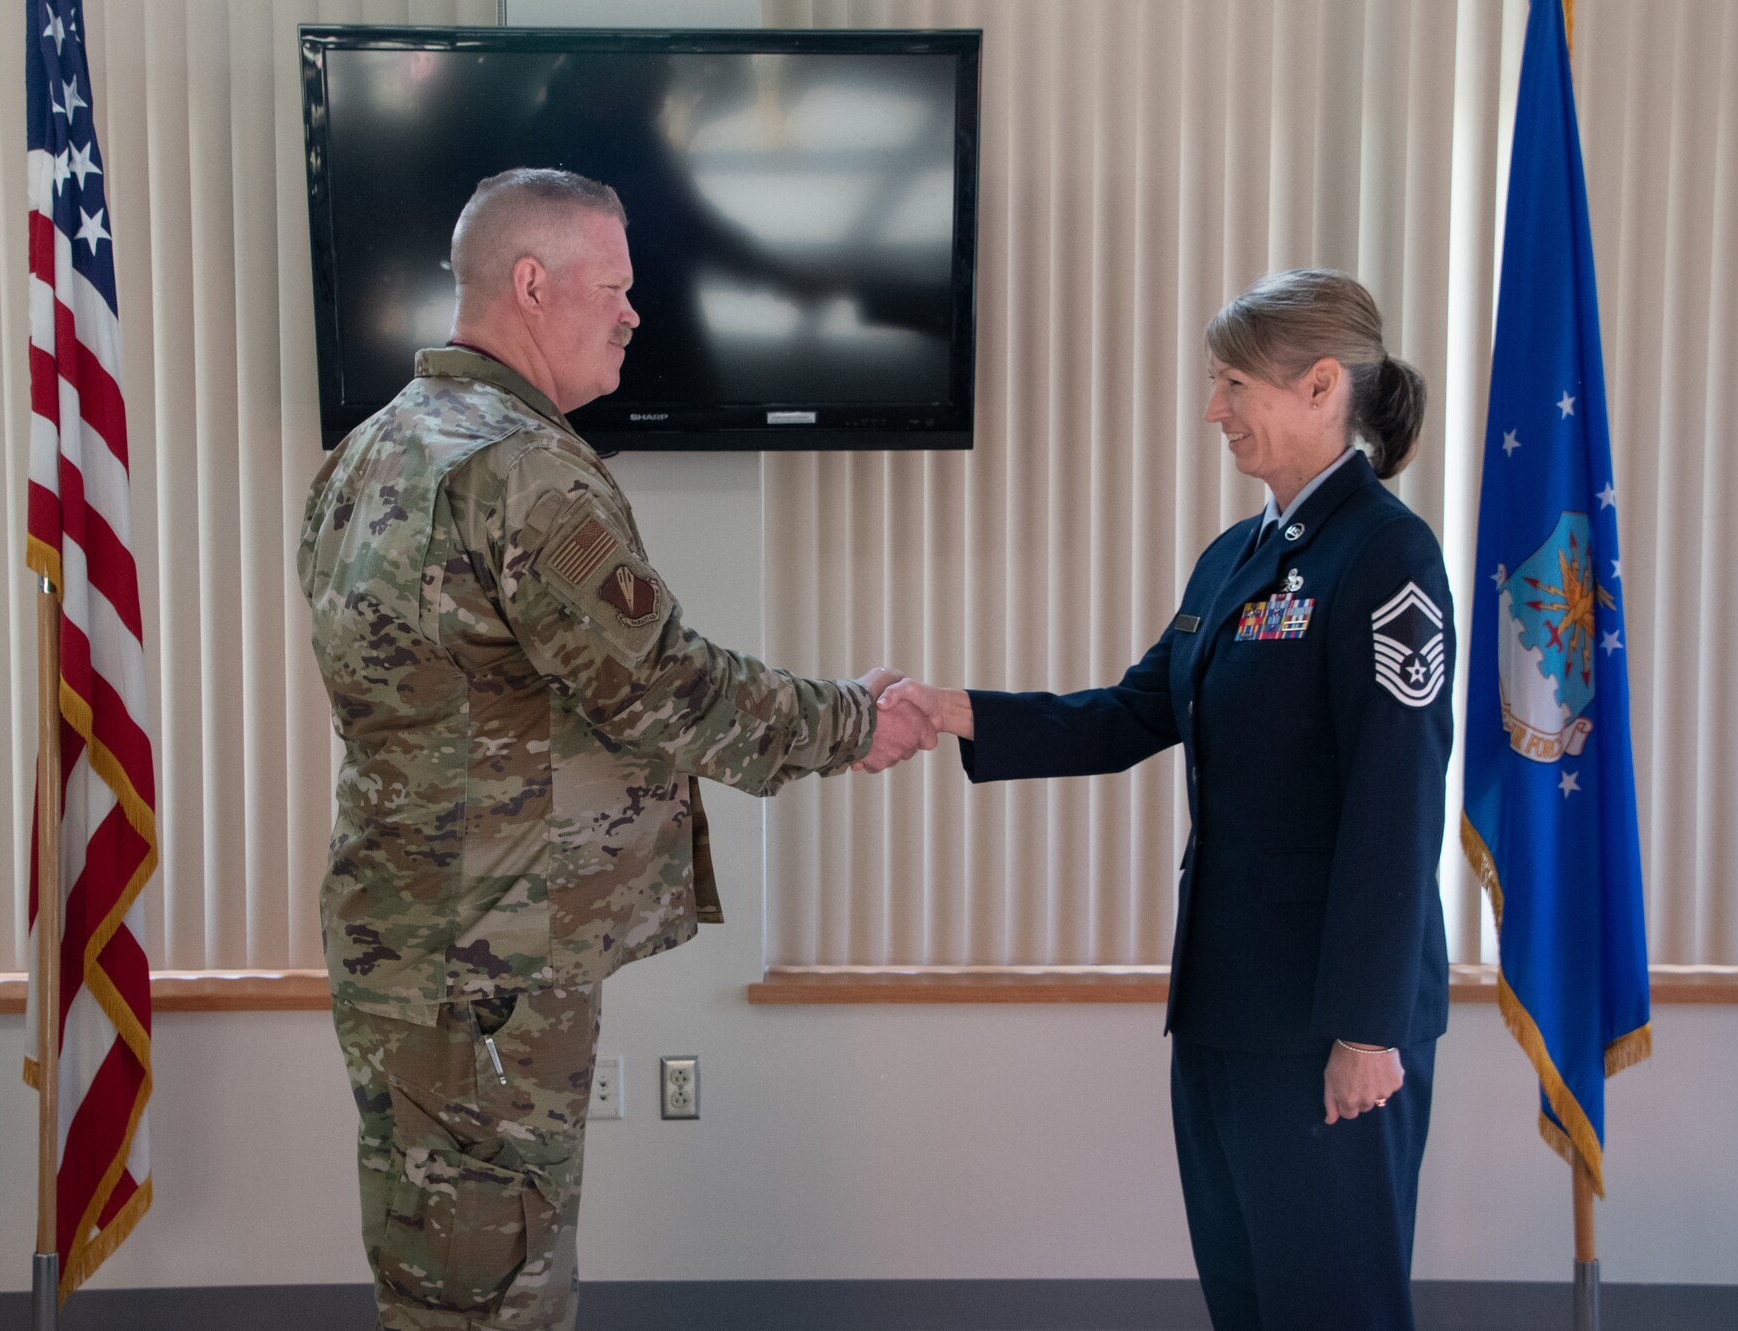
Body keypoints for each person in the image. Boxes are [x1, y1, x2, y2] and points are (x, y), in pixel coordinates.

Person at [297, 167, 934, 1331]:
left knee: (436, 1268)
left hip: (406, 933)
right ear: (530, 283)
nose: (635, 312)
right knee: (500, 1288)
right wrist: (854, 717)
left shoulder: (365, 454)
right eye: (616, 285)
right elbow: (662, 689)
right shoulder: (519, 467)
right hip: (492, 959)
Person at [882, 269, 1453, 1331]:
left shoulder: (1384, 557)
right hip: (1226, 1005)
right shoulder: (1235, 558)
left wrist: (1369, 1028)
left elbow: (1396, 802)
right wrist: (948, 708)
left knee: (1334, 1303)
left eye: (1232, 382)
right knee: (1245, 1295)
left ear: (1321, 384)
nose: (1212, 410)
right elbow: (1128, 712)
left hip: (1329, 1021)